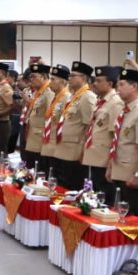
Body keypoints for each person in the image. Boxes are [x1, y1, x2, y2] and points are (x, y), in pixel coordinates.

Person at [105, 68, 138, 219]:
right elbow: (117, 141)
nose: (117, 89)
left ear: (134, 87)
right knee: (118, 213)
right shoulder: (124, 110)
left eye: (122, 85)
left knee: (131, 216)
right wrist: (110, 166)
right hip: (119, 169)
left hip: (130, 173)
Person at [82, 66, 125, 203]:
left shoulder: (115, 103)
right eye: (95, 80)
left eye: (99, 81)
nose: (95, 83)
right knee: (96, 195)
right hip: (95, 155)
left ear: (110, 83)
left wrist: (111, 163)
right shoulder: (101, 101)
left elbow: (115, 135)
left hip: (104, 158)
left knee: (105, 198)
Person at [53, 61, 97, 190]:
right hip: (63, 147)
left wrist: (84, 151)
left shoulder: (87, 97)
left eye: (73, 76)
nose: (69, 78)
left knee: (71, 186)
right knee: (61, 186)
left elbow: (89, 126)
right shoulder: (73, 96)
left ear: (83, 78)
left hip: (74, 150)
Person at [40, 65, 71, 178]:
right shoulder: (55, 97)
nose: (50, 82)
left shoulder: (66, 98)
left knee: (55, 177)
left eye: (53, 79)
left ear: (62, 81)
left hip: (56, 145)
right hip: (49, 143)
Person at [20, 63, 52, 166]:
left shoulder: (49, 92)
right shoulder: (37, 92)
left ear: (43, 77)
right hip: (32, 134)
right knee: (30, 164)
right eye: (30, 77)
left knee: (40, 166)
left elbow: (50, 116)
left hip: (41, 137)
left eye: (34, 77)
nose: (31, 79)